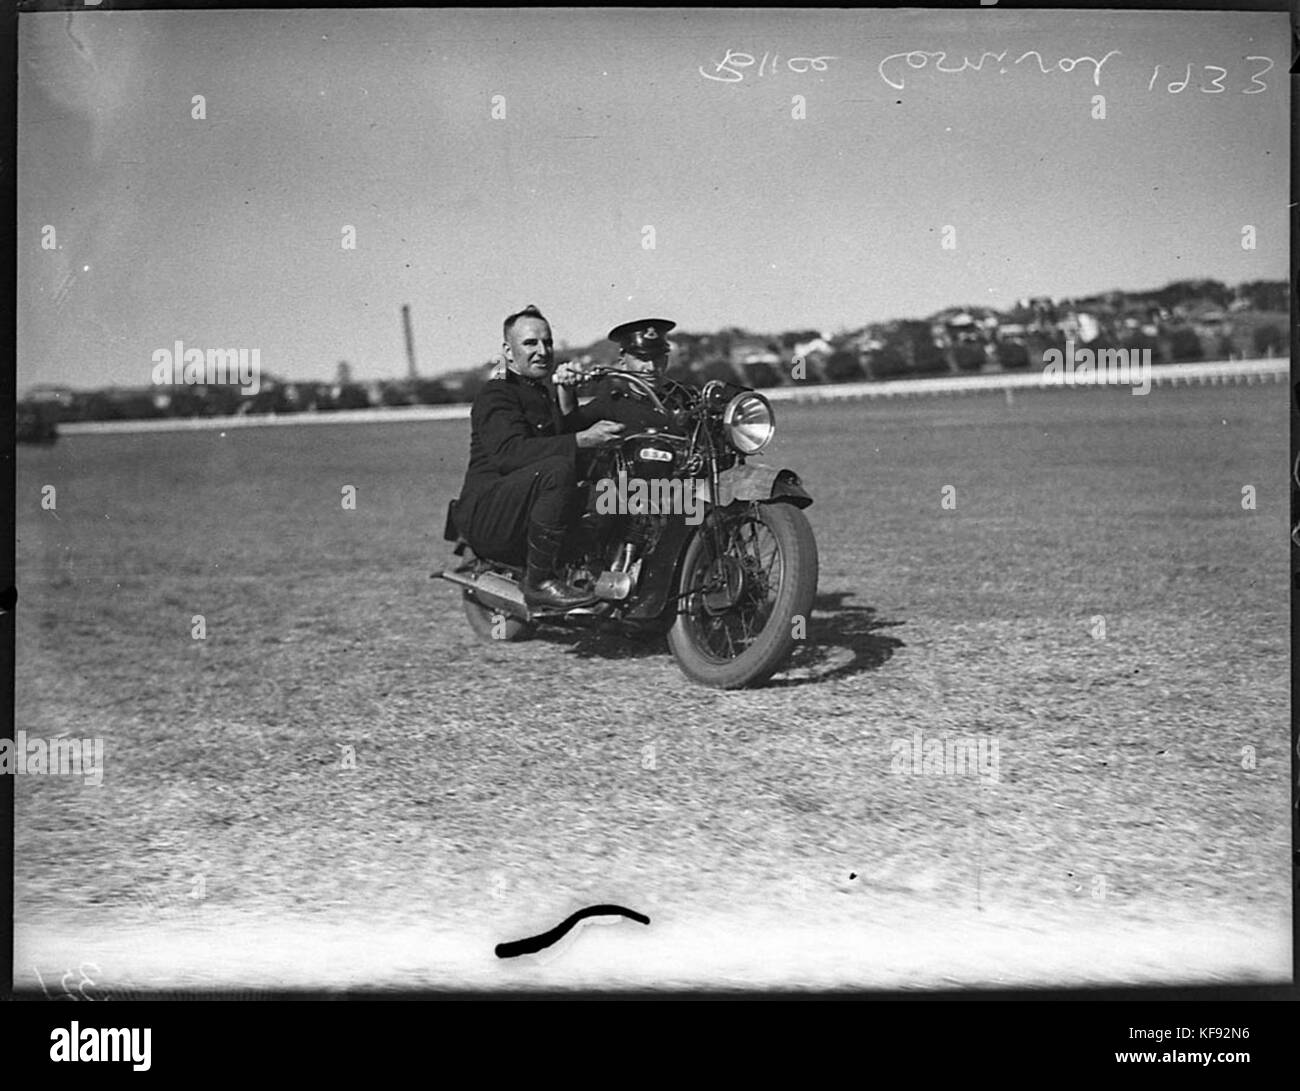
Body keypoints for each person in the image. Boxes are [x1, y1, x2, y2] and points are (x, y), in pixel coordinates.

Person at [454, 305, 624, 611]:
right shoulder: (498, 394)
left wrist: (567, 393)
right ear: (508, 351)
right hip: (489, 513)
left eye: (548, 343)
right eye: (530, 343)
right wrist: (582, 439)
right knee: (558, 469)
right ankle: (539, 583)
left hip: (522, 502)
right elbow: (511, 453)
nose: (542, 351)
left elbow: (560, 436)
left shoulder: (540, 393)